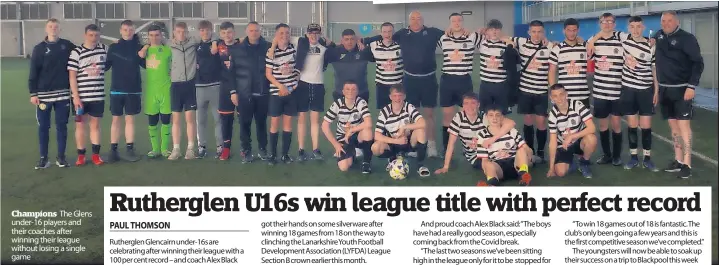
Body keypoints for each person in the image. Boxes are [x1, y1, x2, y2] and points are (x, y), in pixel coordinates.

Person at [363, 11, 459, 157]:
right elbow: (384, 36)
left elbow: (449, 33)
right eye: (413, 18)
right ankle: (415, 146)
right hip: (410, 80)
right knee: (412, 115)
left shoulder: (432, 32)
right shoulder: (402, 34)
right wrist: (364, 39)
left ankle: (431, 146)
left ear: (423, 20)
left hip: (429, 79)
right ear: (409, 20)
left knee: (429, 114)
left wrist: (461, 30)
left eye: (419, 18)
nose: (416, 21)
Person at [654, 11, 704, 179]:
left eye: (669, 21)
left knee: (684, 128)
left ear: (677, 22)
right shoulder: (659, 35)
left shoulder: (687, 39)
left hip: (682, 89)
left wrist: (692, 86)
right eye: (663, 21)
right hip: (664, 89)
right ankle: (678, 159)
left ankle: (687, 163)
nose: (666, 23)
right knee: (674, 128)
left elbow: (698, 63)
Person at [501, 20, 552, 164]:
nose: (537, 35)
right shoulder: (521, 42)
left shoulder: (550, 46)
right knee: (528, 120)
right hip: (525, 90)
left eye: (540, 32)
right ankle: (530, 150)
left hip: (541, 91)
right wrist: (509, 43)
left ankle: (541, 152)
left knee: (541, 122)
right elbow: (503, 38)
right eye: (534, 32)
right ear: (529, 32)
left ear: (544, 33)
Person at [221, 21, 272, 162]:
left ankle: (262, 149)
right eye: (251, 30)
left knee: (261, 123)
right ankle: (246, 150)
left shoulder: (268, 47)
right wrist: (233, 92)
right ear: (246, 32)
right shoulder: (237, 49)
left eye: (256, 30)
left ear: (260, 31)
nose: (254, 33)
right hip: (244, 94)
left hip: (263, 93)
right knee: (244, 124)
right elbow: (231, 73)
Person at [28, 18, 75, 169]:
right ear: (46, 29)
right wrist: (33, 93)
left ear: (60, 29)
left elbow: (81, 55)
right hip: (43, 96)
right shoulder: (39, 48)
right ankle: (43, 158)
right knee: (43, 127)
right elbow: (33, 71)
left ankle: (61, 157)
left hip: (63, 95)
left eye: (56, 27)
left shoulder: (67, 45)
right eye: (50, 26)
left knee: (62, 126)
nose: (53, 29)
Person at [434, 92, 517, 175]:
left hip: (493, 150)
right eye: (466, 103)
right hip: (476, 156)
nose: (469, 107)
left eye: (473, 103)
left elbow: (511, 123)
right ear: (462, 106)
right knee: (495, 165)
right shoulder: (459, 118)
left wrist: (492, 139)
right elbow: (451, 143)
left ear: (478, 105)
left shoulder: (484, 116)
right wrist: (445, 167)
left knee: (516, 154)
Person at [586, 13, 629, 166]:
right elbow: (587, 48)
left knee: (616, 124)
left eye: (610, 22)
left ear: (615, 24)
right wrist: (598, 36)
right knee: (603, 125)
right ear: (600, 23)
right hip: (599, 91)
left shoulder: (621, 37)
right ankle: (606, 155)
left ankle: (617, 156)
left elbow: (636, 39)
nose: (607, 24)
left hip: (617, 91)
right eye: (604, 22)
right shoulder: (594, 40)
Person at [618, 16, 659, 171]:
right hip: (628, 89)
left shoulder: (651, 45)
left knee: (646, 126)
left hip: (646, 90)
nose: (635, 30)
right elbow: (604, 31)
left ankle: (647, 159)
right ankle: (634, 158)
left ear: (643, 27)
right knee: (632, 125)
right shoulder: (623, 40)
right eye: (632, 26)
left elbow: (654, 69)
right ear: (628, 28)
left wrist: (656, 90)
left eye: (638, 26)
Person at [438, 13, 477, 157]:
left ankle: (471, 146)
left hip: (464, 80)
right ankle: (447, 147)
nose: (456, 23)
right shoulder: (443, 38)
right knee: (448, 116)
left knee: (467, 115)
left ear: (463, 22)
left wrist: (474, 30)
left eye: (459, 20)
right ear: (449, 23)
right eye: (453, 20)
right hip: (447, 81)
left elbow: (489, 33)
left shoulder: (472, 37)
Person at [68, 24, 108, 166]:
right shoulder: (76, 52)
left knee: (95, 125)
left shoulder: (104, 50)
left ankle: (96, 155)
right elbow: (72, 76)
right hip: (81, 98)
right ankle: (81, 156)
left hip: (98, 96)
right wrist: (76, 97)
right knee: (80, 126)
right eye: (91, 35)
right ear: (85, 35)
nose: (94, 38)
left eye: (96, 35)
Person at [105, 20, 144, 163]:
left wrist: (143, 54)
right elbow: (106, 66)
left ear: (134, 31)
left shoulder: (139, 47)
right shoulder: (113, 47)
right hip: (116, 90)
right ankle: (113, 150)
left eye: (130, 30)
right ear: (121, 31)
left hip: (133, 90)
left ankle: (129, 149)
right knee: (116, 119)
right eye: (125, 30)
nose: (128, 32)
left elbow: (146, 65)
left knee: (130, 119)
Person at [292, 23, 332, 161]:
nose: (313, 35)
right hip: (302, 85)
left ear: (320, 34)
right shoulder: (300, 42)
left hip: (318, 85)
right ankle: (301, 150)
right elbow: (280, 38)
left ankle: (316, 149)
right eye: (311, 33)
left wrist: (330, 42)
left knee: (315, 120)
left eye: (316, 33)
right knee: (302, 119)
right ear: (307, 34)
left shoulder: (324, 48)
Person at [372, 85, 430, 177]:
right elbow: (377, 135)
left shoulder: (409, 107)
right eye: (394, 96)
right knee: (375, 148)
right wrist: (396, 141)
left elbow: (423, 123)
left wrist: (404, 127)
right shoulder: (385, 111)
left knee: (421, 131)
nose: (397, 98)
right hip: (393, 143)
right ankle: (392, 159)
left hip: (407, 141)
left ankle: (421, 166)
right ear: (390, 97)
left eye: (400, 95)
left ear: (404, 96)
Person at [168, 22, 204, 160]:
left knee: (190, 118)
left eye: (184, 32)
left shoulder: (193, 42)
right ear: (174, 33)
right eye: (178, 32)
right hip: (176, 85)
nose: (181, 34)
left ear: (188, 32)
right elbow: (152, 41)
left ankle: (190, 149)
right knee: (176, 119)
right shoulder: (168, 44)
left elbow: (211, 35)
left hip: (190, 84)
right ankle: (176, 149)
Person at [266, 23, 300, 165]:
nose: (285, 35)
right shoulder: (270, 52)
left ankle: (285, 155)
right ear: (276, 35)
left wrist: (291, 87)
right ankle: (272, 155)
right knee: (274, 124)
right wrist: (281, 87)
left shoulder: (294, 49)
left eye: (287, 32)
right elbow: (268, 74)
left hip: (291, 93)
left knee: (288, 124)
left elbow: (297, 71)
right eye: (281, 33)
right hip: (276, 93)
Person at [322, 81, 374, 173]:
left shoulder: (360, 102)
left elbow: (368, 123)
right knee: (344, 167)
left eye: (353, 89)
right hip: (343, 138)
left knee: (367, 131)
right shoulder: (337, 104)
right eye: (347, 89)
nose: (350, 91)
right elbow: (324, 126)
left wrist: (351, 130)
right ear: (343, 91)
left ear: (357, 92)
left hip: (357, 136)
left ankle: (366, 163)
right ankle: (352, 154)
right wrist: (336, 145)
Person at [547, 84, 597, 178]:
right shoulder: (552, 115)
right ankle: (573, 162)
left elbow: (592, 127)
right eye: (555, 96)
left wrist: (572, 136)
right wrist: (551, 168)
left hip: (579, 141)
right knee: (560, 173)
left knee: (591, 139)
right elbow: (553, 142)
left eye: (561, 94)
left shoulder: (577, 105)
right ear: (551, 98)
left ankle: (584, 162)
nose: (559, 98)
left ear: (566, 94)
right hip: (564, 144)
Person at [476, 105, 533, 187]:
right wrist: (487, 170)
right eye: (491, 115)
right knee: (487, 164)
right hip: (498, 167)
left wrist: (528, 156)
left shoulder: (511, 131)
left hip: (515, 164)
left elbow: (526, 149)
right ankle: (492, 183)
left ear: (502, 117)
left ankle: (524, 178)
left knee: (521, 150)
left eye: (497, 115)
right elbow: (484, 161)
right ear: (486, 117)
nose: (494, 118)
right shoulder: (482, 135)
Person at [141, 25, 173, 159]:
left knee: (166, 120)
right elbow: (140, 55)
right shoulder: (145, 51)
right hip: (151, 92)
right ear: (148, 37)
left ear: (161, 36)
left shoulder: (168, 51)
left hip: (166, 89)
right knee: (152, 121)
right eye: (151, 35)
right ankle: (155, 149)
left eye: (157, 35)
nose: (154, 38)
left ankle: (165, 149)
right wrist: (144, 47)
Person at [194, 20, 223, 159]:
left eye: (207, 30)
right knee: (201, 119)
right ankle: (202, 146)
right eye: (202, 30)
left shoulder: (218, 44)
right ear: (199, 32)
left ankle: (220, 146)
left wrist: (215, 41)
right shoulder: (196, 46)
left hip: (215, 86)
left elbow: (233, 39)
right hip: (199, 87)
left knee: (218, 118)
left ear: (211, 30)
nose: (205, 33)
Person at [215, 22, 243, 161]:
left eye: (230, 32)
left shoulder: (241, 46)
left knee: (244, 119)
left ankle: (245, 147)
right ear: (220, 34)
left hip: (242, 87)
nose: (227, 35)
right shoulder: (218, 47)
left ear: (234, 32)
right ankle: (226, 149)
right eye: (224, 33)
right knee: (226, 120)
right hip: (225, 89)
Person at [548, 18, 591, 106]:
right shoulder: (557, 49)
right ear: (564, 31)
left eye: (574, 30)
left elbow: (595, 55)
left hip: (582, 95)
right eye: (569, 30)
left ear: (578, 30)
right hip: (564, 97)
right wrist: (555, 93)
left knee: (584, 120)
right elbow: (551, 71)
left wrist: (585, 42)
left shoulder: (585, 47)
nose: (571, 33)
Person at [477, 19, 512, 115]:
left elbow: (516, 45)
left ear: (501, 31)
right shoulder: (482, 42)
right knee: (485, 112)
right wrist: (481, 31)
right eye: (491, 29)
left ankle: (502, 130)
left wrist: (507, 39)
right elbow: (473, 34)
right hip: (485, 85)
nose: (494, 31)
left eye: (497, 29)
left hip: (501, 85)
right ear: (487, 31)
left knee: (501, 113)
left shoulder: (506, 43)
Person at [367, 22, 403, 110]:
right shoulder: (374, 45)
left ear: (393, 33)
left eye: (390, 31)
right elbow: (360, 42)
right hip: (381, 85)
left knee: (398, 110)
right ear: (381, 33)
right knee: (383, 112)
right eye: (385, 32)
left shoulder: (401, 45)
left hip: (398, 85)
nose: (387, 34)